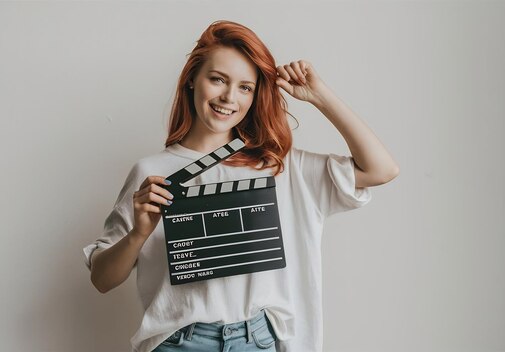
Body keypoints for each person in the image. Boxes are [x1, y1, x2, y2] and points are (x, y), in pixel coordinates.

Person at [83, 20, 399, 352]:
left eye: (245, 87)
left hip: (257, 340)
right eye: (217, 79)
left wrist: (319, 95)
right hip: (180, 343)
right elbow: (101, 280)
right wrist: (138, 234)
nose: (229, 97)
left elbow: (381, 169)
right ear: (192, 79)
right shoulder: (151, 172)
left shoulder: (281, 167)